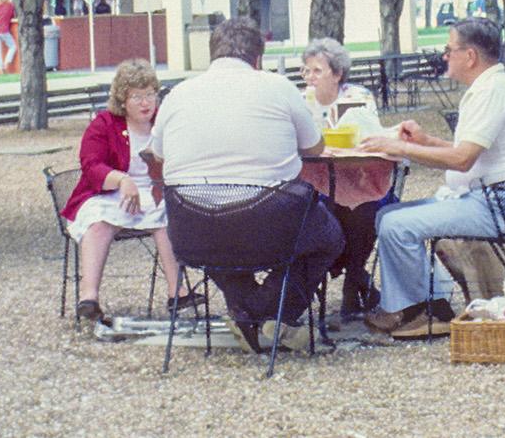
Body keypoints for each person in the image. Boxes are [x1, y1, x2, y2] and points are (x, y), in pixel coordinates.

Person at [147, 18, 340, 353]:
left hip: (191, 225)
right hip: (268, 222)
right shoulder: (277, 87)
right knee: (328, 237)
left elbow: (156, 154)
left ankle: (246, 310)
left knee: (219, 239)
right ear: (257, 59)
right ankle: (270, 312)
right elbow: (314, 149)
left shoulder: (178, 94)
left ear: (212, 56)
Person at [357, 18, 505, 337]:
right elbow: (469, 150)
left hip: (501, 204)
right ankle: (429, 304)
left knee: (395, 224)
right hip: (490, 197)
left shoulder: (491, 92)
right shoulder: (490, 87)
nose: (445, 56)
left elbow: (461, 159)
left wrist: (397, 146)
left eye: (449, 50)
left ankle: (418, 310)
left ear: (469, 56)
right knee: (388, 214)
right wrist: (425, 142)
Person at [63, 59, 198, 323]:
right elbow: (91, 166)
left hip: (155, 191)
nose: (146, 103)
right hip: (108, 192)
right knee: (98, 222)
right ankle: (88, 298)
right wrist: (122, 180)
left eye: (150, 94)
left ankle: (177, 292)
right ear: (123, 99)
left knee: (166, 214)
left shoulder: (165, 122)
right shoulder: (104, 123)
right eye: (137, 96)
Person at [298, 38, 387, 317]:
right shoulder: (301, 102)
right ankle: (357, 276)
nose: (310, 78)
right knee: (322, 209)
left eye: (317, 71)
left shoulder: (356, 98)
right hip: (316, 185)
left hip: (360, 183)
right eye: (306, 71)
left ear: (337, 74)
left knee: (364, 209)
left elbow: (370, 140)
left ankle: (353, 279)